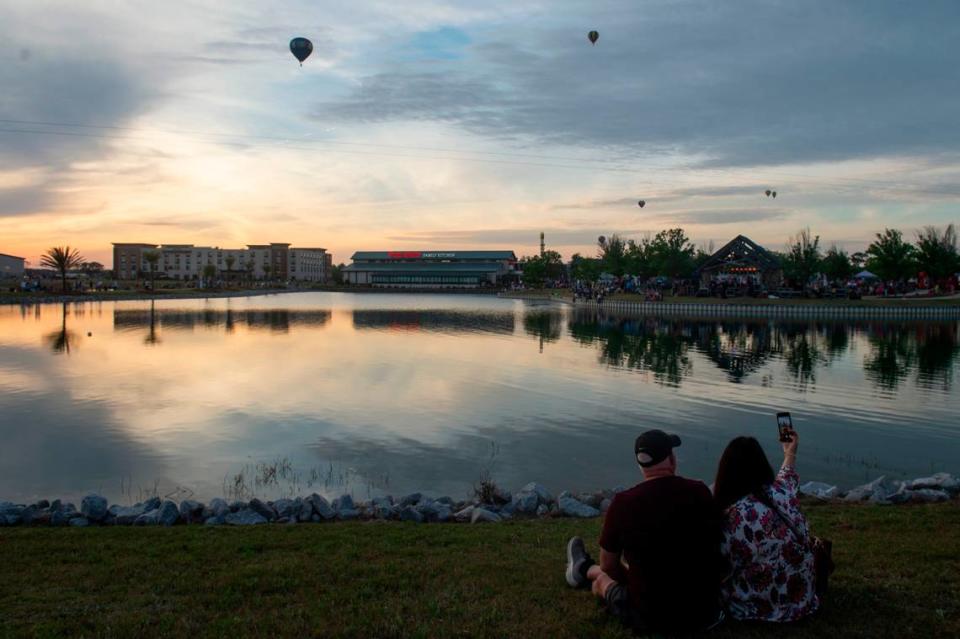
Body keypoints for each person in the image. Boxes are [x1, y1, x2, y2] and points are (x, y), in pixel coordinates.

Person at [564, 429, 725, 634]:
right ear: (671, 459)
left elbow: (608, 565)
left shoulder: (623, 503)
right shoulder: (699, 491)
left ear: (640, 466)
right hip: (704, 612)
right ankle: (583, 568)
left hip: (649, 616)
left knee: (601, 580)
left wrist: (633, 582)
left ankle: (584, 569)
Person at [713, 429, 819, 622]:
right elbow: (787, 476)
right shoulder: (784, 494)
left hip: (758, 608)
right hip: (803, 601)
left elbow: (722, 567)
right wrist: (790, 453)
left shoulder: (732, 516)